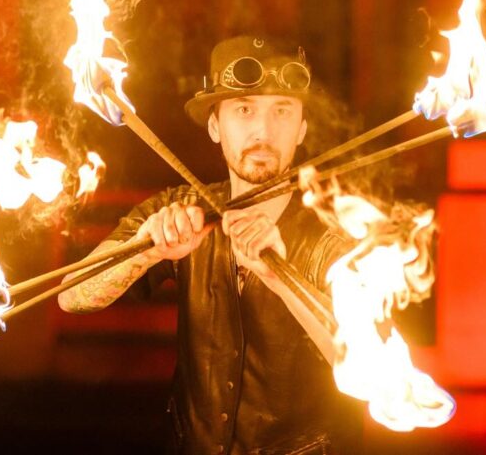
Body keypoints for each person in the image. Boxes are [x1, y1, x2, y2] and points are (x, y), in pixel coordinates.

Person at [59, 35, 363, 454]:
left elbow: (369, 367)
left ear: (302, 127)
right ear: (215, 126)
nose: (263, 130)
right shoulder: (178, 209)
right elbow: (73, 297)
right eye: (244, 109)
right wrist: (149, 249)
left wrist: (279, 278)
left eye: (282, 110)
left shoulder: (339, 229)